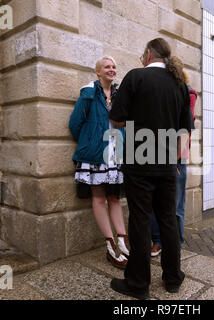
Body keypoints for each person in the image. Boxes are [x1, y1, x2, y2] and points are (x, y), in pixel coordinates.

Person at [109, 38, 194, 300]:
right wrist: (178, 162)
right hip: (168, 164)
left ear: (148, 54)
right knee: (168, 220)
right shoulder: (179, 83)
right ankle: (172, 279)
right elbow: (185, 128)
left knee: (140, 220)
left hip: (139, 161)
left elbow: (116, 117)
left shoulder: (135, 77)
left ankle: (138, 284)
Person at [69, 56, 129, 269]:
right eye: (107, 67)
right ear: (98, 72)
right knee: (99, 198)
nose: (112, 69)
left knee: (114, 197)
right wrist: (91, 141)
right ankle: (110, 245)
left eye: (114, 66)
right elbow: (75, 124)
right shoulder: (89, 93)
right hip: (94, 155)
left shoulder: (119, 94)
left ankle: (123, 240)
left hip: (115, 155)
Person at [151, 70, 197, 257]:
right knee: (156, 201)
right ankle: (158, 241)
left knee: (176, 203)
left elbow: (185, 129)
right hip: (156, 152)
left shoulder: (188, 93)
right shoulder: (162, 92)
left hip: (177, 155)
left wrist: (177, 160)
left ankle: (175, 241)